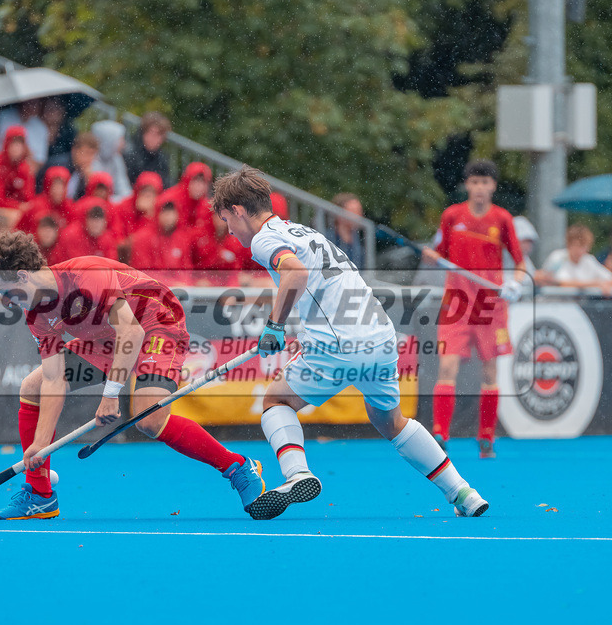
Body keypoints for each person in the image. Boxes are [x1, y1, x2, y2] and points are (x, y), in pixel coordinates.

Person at [214, 165, 488, 520]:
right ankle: (463, 493)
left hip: (339, 342)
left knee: (275, 399)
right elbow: (320, 287)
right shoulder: (303, 231)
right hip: (379, 337)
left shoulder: (264, 238)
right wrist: (301, 329)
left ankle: (297, 473)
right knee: (391, 421)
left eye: (227, 220)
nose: (231, 231)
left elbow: (295, 273)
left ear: (238, 210)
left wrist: (275, 327)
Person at [0, 232, 266, 520]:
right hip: (104, 339)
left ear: (23, 275)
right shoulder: (36, 315)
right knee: (33, 386)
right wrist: (39, 445)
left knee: (150, 420)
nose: (8, 302)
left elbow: (132, 331)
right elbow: (54, 379)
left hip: (155, 324)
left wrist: (111, 393)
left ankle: (238, 467)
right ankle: (39, 495)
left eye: (7, 292)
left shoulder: (85, 275)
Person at [420, 160, 526, 460]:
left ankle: (486, 438)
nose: (480, 188)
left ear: (493, 186)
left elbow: (519, 262)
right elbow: (438, 254)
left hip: (491, 306)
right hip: (457, 304)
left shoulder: (503, 219)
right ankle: (440, 434)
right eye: (475, 182)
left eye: (485, 182)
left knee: (490, 371)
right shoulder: (452, 216)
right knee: (447, 367)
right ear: (467, 185)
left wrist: (515, 284)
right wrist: (431, 256)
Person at [540, 224, 612, 292]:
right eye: (576, 245)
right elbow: (547, 280)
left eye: (583, 246)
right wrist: (596, 283)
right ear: (568, 244)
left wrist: (604, 285)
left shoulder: (589, 260)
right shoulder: (557, 257)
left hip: (577, 306)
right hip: (552, 304)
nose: (579, 250)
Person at [158, 161, 213, 231]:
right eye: (195, 181)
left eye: (203, 182)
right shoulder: (170, 199)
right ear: (187, 180)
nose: (199, 186)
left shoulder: (206, 206)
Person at [123, 111, 171, 187]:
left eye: (158, 134)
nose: (153, 138)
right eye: (151, 132)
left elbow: (165, 185)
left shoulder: (162, 159)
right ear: (143, 133)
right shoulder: (130, 154)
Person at [20, 166, 72, 233]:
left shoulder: (69, 207)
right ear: (48, 186)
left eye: (62, 186)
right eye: (55, 186)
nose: (58, 191)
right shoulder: (36, 206)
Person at [90, 120, 132, 202]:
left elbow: (123, 186)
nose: (123, 144)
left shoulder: (116, 158)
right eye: (120, 139)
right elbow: (98, 193)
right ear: (109, 140)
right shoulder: (93, 160)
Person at [327, 193, 366, 269]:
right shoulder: (327, 240)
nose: (359, 215)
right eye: (353, 211)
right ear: (339, 214)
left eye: (359, 211)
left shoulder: (362, 241)